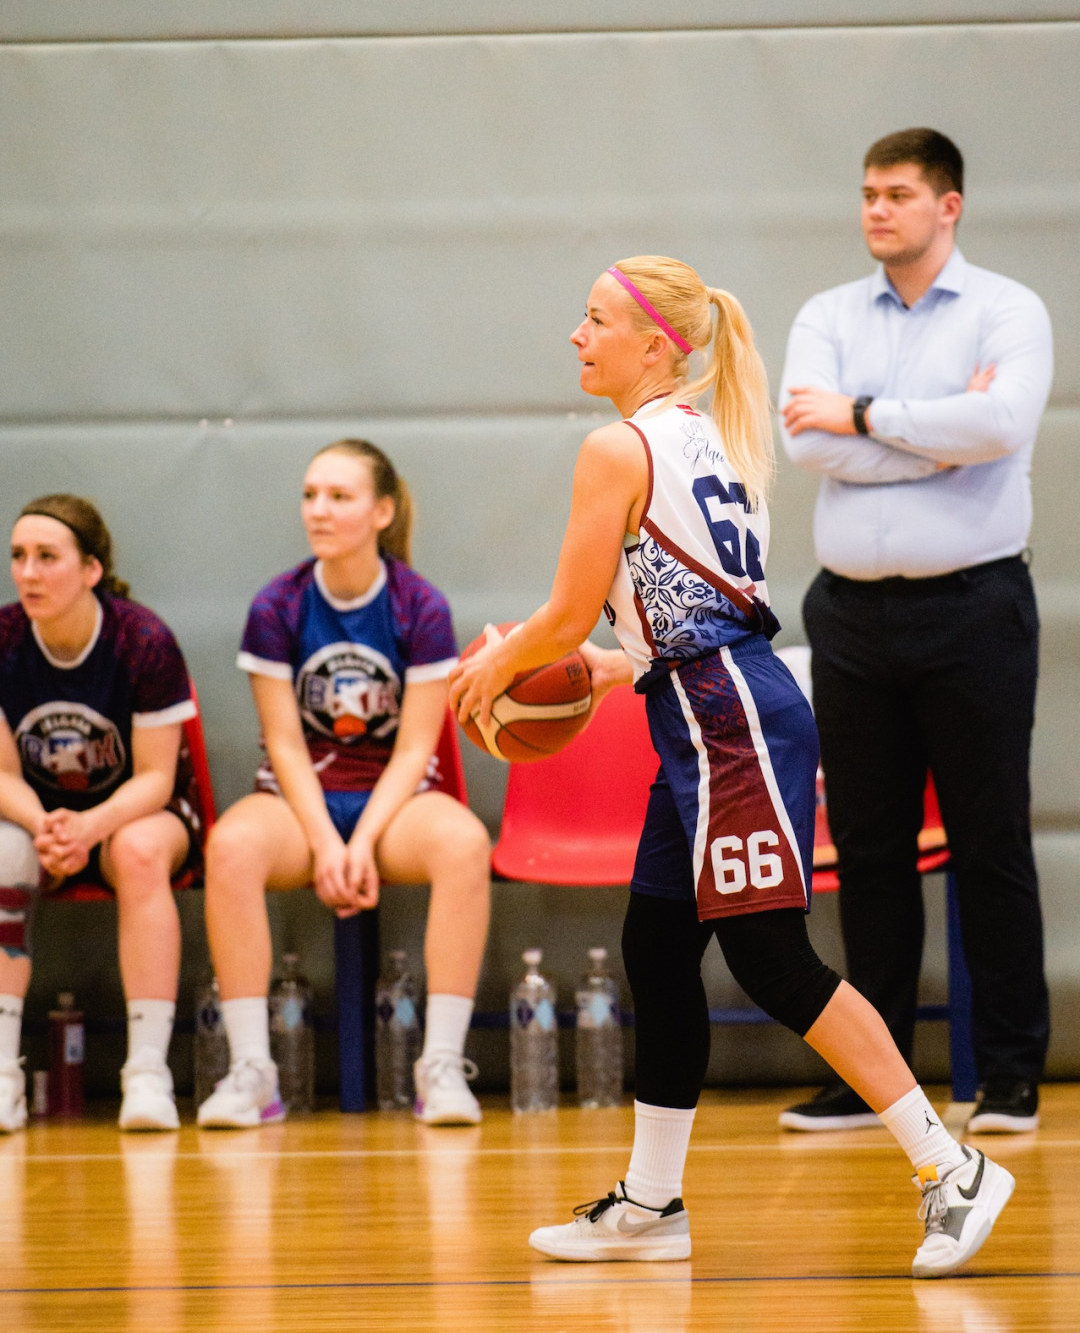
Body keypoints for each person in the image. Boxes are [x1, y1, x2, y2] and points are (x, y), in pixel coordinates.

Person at [451, 256, 1014, 1278]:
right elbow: (692, 605)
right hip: (706, 701)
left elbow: (570, 611)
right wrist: (616, 662)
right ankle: (652, 1204)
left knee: (772, 959)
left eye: (595, 320)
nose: (577, 335)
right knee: (658, 946)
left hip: (726, 717)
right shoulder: (697, 433)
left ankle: (951, 1166)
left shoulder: (617, 446)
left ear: (653, 343)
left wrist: (499, 663)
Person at [778, 128, 1052, 1136]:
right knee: (870, 850)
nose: (877, 210)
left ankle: (1009, 1074)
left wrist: (858, 415)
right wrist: (935, 434)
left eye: (897, 194)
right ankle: (876, 1078)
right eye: (868, 194)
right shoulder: (827, 313)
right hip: (850, 616)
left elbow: (1001, 428)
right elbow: (803, 442)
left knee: (990, 842)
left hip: (974, 609)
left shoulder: (1007, 309)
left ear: (949, 206)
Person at [198, 438, 491, 1129]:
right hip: (299, 802)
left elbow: (416, 747)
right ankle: (252, 1072)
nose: (318, 510)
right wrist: (328, 843)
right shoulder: (278, 605)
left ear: (381, 512)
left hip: (395, 801)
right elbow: (284, 745)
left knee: (465, 845)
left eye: (338, 496)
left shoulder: (420, 605)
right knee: (230, 848)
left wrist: (360, 842)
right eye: (310, 496)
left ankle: (441, 1067)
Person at [0, 495, 202, 1133]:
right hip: (40, 816)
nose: (28, 572)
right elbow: (2, 774)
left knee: (138, 852)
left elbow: (156, 779)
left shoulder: (143, 640)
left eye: (47, 557)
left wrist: (90, 826)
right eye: (18, 556)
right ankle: (2, 1073)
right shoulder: (3, 639)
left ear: (91, 569)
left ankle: (146, 1072)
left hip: (142, 811)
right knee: (4, 853)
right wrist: (46, 826)